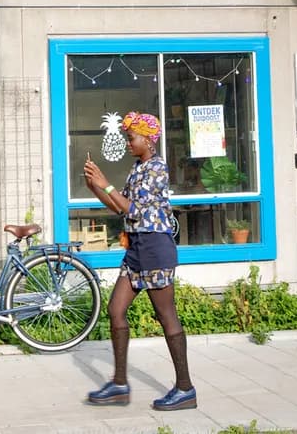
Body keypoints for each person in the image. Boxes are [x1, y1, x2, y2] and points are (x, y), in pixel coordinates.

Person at [81, 111, 195, 411]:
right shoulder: (136, 169)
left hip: (156, 248)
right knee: (115, 309)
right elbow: (120, 207)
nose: (128, 143)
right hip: (135, 250)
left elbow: (134, 209)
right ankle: (120, 384)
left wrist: (106, 184)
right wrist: (95, 185)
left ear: (148, 139)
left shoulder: (157, 169)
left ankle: (185, 388)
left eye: (131, 138)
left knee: (165, 316)